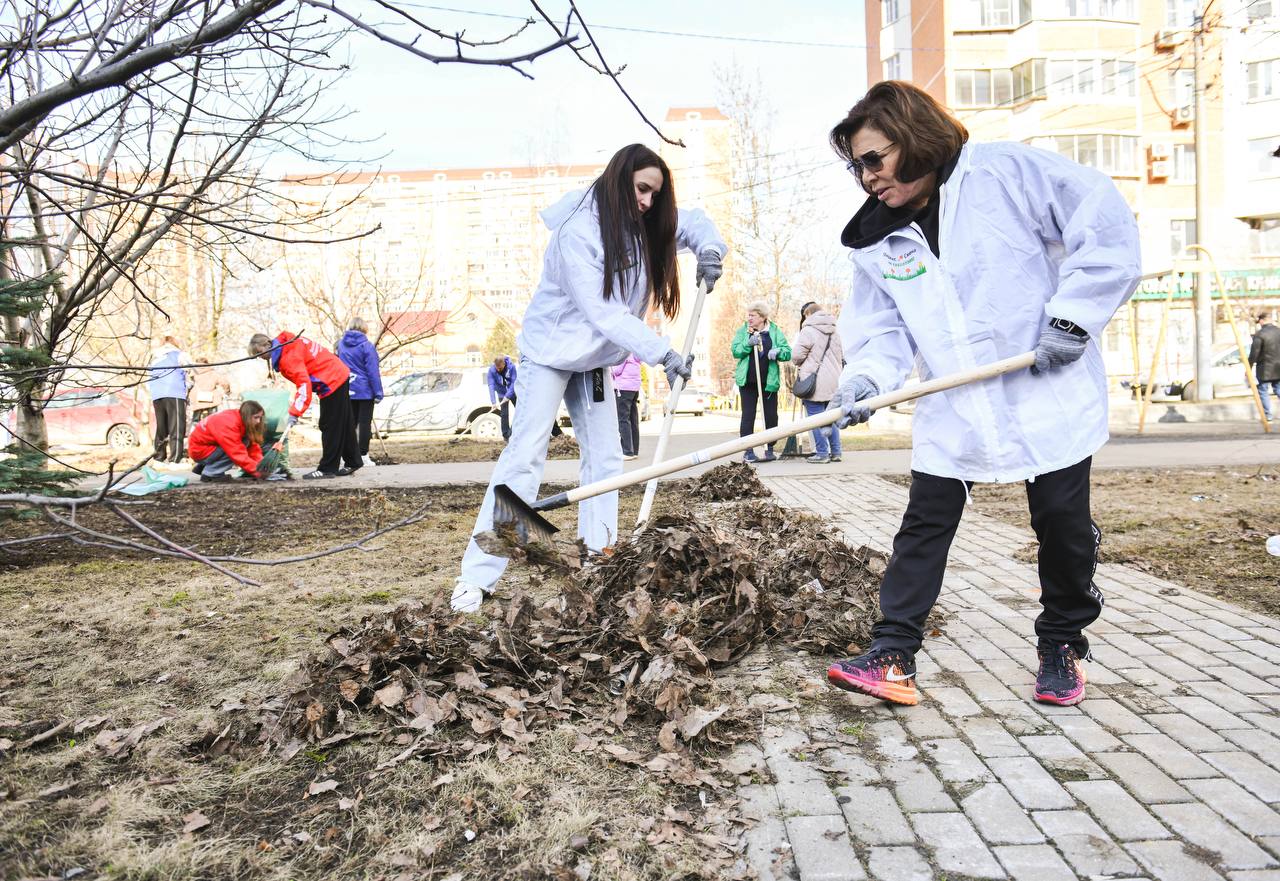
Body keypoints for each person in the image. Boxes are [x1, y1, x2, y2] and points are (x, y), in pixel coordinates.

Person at [821, 81, 1140, 709]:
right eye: (856, 166)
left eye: (873, 159)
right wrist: (865, 380)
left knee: (1062, 527)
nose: (866, 178)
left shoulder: (1008, 173)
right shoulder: (876, 243)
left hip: (1044, 386)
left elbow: (1101, 223)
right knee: (924, 524)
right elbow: (882, 329)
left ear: (911, 138)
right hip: (956, 403)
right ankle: (892, 653)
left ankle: (1063, 642)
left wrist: (1075, 316)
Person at [452, 143, 727, 612]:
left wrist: (710, 249)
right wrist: (662, 352)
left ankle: (598, 559)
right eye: (642, 189)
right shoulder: (578, 230)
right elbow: (602, 311)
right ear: (620, 180)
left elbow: (694, 220)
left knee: (606, 458)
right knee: (525, 458)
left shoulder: (643, 223)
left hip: (595, 359)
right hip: (550, 354)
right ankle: (478, 578)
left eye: (655, 195)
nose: (647, 201)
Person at [246, 331, 361, 479]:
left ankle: (327, 469)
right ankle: (353, 461)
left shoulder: (288, 358)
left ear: (267, 344)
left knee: (329, 424)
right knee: (343, 422)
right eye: (256, 355)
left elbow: (303, 385)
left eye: (259, 352)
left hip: (331, 379)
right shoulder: (288, 343)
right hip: (337, 373)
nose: (260, 357)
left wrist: (295, 412)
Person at [731, 302, 791, 463]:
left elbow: (788, 352)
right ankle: (748, 450)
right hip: (748, 382)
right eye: (748, 315)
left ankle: (769, 447)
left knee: (771, 416)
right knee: (748, 415)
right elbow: (736, 351)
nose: (749, 318)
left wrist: (778, 352)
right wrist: (747, 344)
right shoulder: (743, 331)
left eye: (753, 315)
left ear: (763, 317)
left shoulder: (774, 331)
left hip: (768, 382)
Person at [792, 302, 844, 464]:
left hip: (814, 381)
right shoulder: (835, 330)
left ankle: (822, 453)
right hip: (835, 379)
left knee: (815, 417)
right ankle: (836, 452)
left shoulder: (808, 330)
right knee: (831, 417)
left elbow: (796, 356)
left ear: (807, 315)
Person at [336, 317, 384, 466]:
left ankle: (348, 457)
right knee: (364, 424)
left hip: (347, 388)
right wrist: (378, 392)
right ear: (364, 329)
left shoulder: (341, 345)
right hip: (364, 390)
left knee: (349, 424)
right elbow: (372, 371)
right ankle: (363, 455)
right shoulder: (366, 346)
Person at [188, 400, 268, 483]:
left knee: (244, 442)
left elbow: (253, 448)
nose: (258, 421)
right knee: (236, 448)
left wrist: (260, 466)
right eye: (256, 417)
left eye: (260, 417)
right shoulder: (229, 423)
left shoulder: (241, 418)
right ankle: (211, 474)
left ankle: (205, 467)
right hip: (200, 451)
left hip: (208, 448)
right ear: (247, 415)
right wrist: (256, 471)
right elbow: (236, 452)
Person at [147, 335, 188, 465]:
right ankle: (175, 459)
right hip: (174, 392)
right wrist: (188, 387)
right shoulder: (179, 354)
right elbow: (190, 371)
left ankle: (159, 457)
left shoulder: (155, 358)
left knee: (161, 427)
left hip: (157, 394)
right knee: (176, 426)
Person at [1248, 312, 1280, 421]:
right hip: (1279, 367)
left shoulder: (1260, 334)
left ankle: (1268, 415)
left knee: (1263, 390)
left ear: (1261, 320)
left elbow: (1254, 353)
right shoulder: (1279, 331)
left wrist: (1249, 366)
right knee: (1279, 389)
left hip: (1264, 368)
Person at [612, 353, 642, 460]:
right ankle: (634, 451)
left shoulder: (623, 352)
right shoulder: (635, 353)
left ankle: (627, 451)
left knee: (623, 419)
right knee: (633, 420)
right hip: (634, 388)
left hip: (623, 388)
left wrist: (609, 368)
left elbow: (616, 370)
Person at [190, 358, 232, 423]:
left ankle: (195, 429)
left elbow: (188, 384)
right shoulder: (213, 373)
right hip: (211, 400)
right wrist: (227, 391)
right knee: (213, 420)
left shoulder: (192, 373)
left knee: (195, 421)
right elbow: (225, 383)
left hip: (197, 399)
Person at [487, 354, 518, 440]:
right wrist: (493, 402)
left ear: (504, 364)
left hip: (512, 392)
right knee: (504, 414)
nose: (498, 369)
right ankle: (506, 436)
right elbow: (491, 385)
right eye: (497, 368)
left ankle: (514, 432)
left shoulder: (511, 367)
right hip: (501, 393)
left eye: (500, 368)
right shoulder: (491, 370)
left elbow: (513, 382)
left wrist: (508, 395)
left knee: (520, 410)